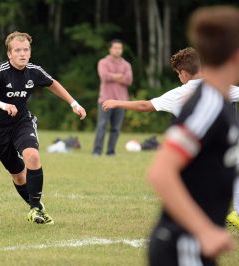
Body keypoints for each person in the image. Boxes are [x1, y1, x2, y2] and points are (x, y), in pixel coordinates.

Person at [102, 47, 239, 231]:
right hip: (225, 150)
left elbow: (145, 105)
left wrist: (117, 102)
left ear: (183, 73)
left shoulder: (180, 93)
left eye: (177, 74)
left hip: (193, 154)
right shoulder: (219, 85)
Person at [147, 6, 239, 266]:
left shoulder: (219, 102)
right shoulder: (207, 105)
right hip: (184, 244)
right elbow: (160, 172)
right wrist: (204, 230)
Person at [0, 31, 86, 224]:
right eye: (17, 50)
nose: (22, 54)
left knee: (32, 155)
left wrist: (73, 103)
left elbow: (53, 84)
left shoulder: (34, 71)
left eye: (26, 50)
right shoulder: (0, 71)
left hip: (21, 122)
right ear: (9, 54)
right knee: (17, 175)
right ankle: (38, 206)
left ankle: (35, 209)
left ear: (30, 52)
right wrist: (2, 104)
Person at [93, 39, 133, 156]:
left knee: (116, 128)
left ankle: (111, 152)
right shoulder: (103, 62)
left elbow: (129, 80)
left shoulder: (126, 65)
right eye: (115, 48)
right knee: (102, 126)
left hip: (121, 101)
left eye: (119, 48)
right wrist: (119, 76)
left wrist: (113, 76)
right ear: (110, 49)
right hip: (105, 99)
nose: (117, 50)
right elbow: (104, 76)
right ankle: (97, 151)